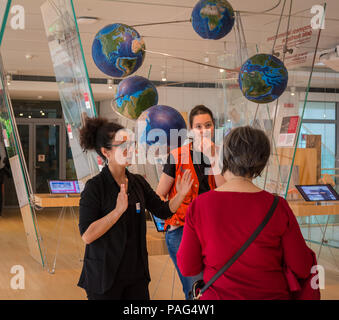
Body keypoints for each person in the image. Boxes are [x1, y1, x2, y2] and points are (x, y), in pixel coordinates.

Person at [177, 126, 318, 300]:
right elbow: (302, 267)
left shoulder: (199, 206)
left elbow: (187, 267)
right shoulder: (277, 207)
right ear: (262, 162)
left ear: (224, 158)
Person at [77, 117, 194, 300]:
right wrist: (117, 212)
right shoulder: (94, 187)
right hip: (104, 277)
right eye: (123, 145)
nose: (131, 149)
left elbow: (163, 210)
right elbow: (87, 235)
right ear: (106, 152)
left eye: (131, 144)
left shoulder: (137, 182)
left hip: (136, 276)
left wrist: (180, 194)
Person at [156, 105, 225, 299]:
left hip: (214, 231)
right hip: (181, 230)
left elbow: (226, 192)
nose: (204, 131)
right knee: (197, 291)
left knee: (215, 289)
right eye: (198, 126)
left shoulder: (221, 154)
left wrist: (214, 159)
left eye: (208, 125)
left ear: (214, 127)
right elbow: (159, 195)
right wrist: (173, 213)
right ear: (191, 130)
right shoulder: (177, 156)